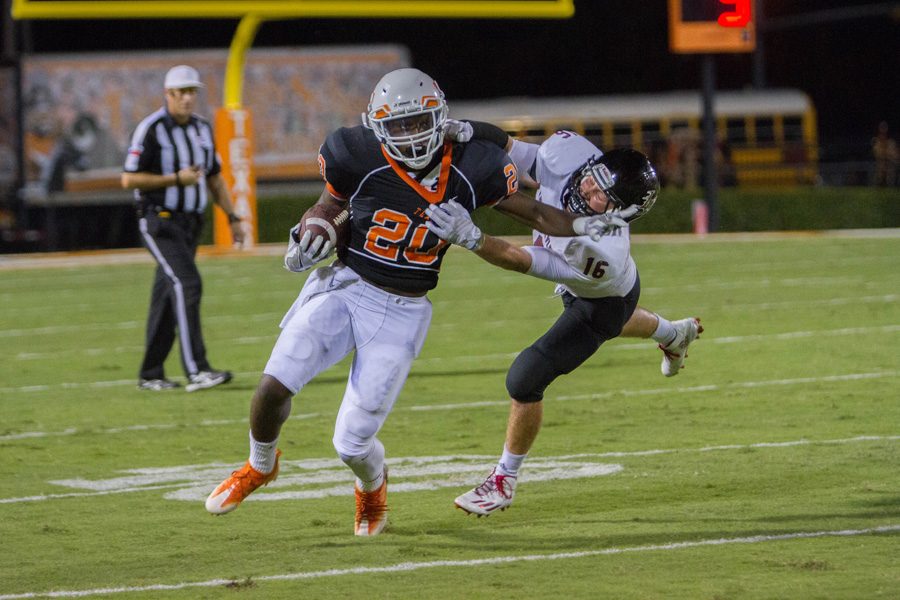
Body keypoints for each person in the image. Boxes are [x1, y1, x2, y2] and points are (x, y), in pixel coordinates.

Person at [204, 68, 623, 537]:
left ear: (439, 116)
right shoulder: (353, 151)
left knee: (352, 442)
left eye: (417, 122)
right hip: (346, 283)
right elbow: (328, 205)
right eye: (397, 125)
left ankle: (372, 485)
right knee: (274, 383)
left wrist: (588, 226)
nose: (407, 134)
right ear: (377, 126)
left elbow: (538, 211)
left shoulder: (474, 164)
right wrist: (312, 232)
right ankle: (261, 464)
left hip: (402, 309)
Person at [425, 126, 701, 516]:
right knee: (618, 323)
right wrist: (467, 130)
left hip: (602, 301)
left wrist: (473, 239)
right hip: (606, 293)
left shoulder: (598, 252)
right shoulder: (569, 154)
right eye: (593, 180)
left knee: (526, 377)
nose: (587, 193)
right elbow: (512, 148)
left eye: (601, 197)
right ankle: (675, 334)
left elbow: (522, 260)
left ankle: (503, 480)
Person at [121, 65, 244, 392]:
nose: (188, 98)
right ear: (169, 94)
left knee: (167, 295)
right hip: (159, 219)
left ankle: (151, 374)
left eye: (192, 92)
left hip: (191, 223)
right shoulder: (151, 129)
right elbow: (129, 178)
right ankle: (197, 370)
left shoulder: (202, 129)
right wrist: (175, 179)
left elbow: (215, 177)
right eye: (182, 92)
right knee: (187, 284)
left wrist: (233, 217)